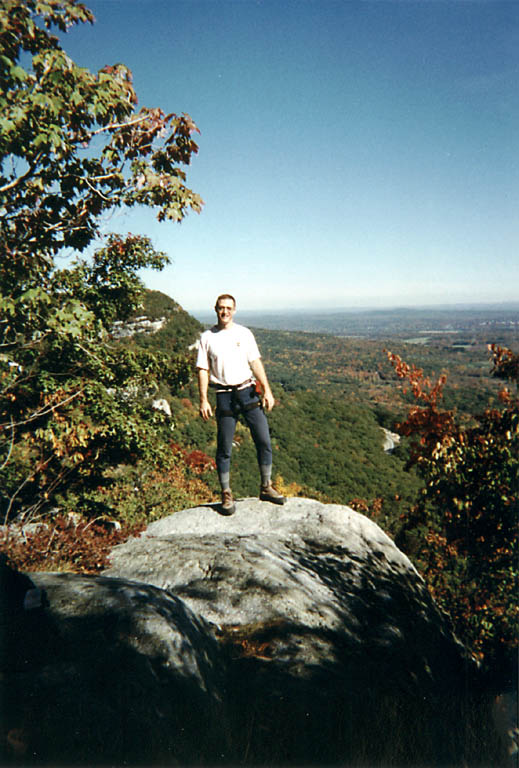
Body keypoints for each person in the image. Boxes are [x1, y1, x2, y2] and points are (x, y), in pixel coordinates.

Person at [196, 294, 285, 515]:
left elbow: (255, 362)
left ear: (234, 310)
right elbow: (203, 369)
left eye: (228, 308)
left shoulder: (244, 334)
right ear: (215, 309)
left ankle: (266, 486)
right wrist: (204, 399)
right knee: (224, 447)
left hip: (247, 392)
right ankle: (226, 493)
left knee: (263, 440)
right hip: (224, 394)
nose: (225, 312)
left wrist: (267, 390)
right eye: (221, 308)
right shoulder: (207, 337)